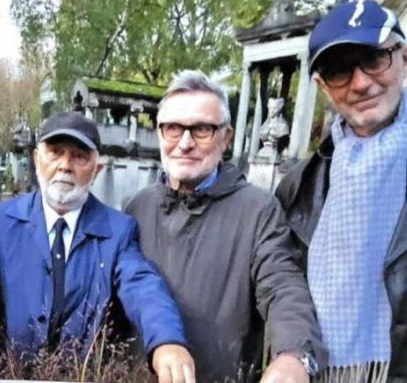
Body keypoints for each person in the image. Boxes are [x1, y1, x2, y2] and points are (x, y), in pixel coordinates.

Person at [0, 111, 195, 383]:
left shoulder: (117, 230)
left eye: (79, 156)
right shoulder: (6, 221)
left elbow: (142, 286)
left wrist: (167, 341)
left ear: (96, 169)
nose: (65, 166)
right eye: (55, 152)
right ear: (37, 159)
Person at [125, 70, 327, 383]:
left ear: (226, 137)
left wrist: (293, 355)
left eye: (202, 129)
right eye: (173, 129)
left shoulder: (257, 209)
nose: (185, 143)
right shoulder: (138, 206)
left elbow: (282, 286)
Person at [276, 0, 407, 381]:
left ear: (403, 57)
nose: (362, 82)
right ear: (321, 86)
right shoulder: (298, 187)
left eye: (374, 59)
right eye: (339, 71)